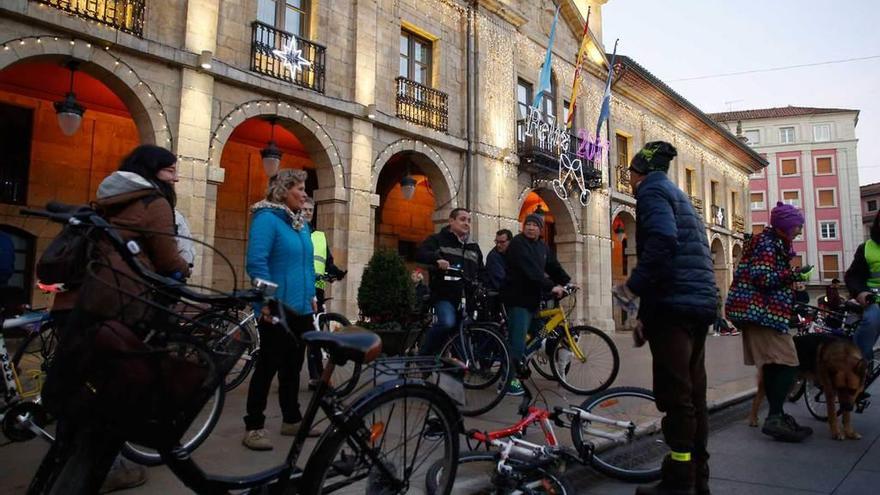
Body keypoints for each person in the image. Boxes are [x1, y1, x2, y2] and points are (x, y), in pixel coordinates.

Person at [32, 145, 192, 494]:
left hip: (75, 300)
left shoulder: (112, 197)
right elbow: (167, 258)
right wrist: (184, 271)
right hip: (114, 306)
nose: (176, 177)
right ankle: (105, 469)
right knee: (111, 391)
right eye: (170, 170)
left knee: (78, 384)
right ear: (153, 170)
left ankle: (60, 464)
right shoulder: (153, 202)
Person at [612, 141, 717, 495]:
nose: (627, 178)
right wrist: (645, 314)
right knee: (694, 394)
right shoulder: (678, 196)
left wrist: (631, 288)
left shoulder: (652, 192)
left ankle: (679, 481)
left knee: (675, 398)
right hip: (697, 304)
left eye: (629, 171)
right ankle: (698, 479)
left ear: (637, 172)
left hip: (675, 308)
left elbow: (662, 243)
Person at [242, 169, 319, 451]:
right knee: (268, 366)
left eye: (304, 189)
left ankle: (291, 420)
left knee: (293, 365)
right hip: (276, 306)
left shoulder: (300, 224)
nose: (304, 194)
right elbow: (256, 263)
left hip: (301, 307)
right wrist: (266, 301)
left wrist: (311, 295)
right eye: (299, 188)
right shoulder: (266, 219)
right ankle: (253, 426)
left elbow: (308, 264)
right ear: (283, 190)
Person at [727, 201, 815, 445]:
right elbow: (762, 277)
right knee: (788, 361)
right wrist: (793, 274)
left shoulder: (773, 243)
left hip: (767, 313)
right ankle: (775, 416)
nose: (799, 231)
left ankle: (778, 415)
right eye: (797, 226)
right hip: (760, 314)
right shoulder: (767, 243)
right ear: (786, 226)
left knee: (777, 364)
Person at [502, 214, 569, 396]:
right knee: (517, 340)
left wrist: (567, 282)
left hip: (533, 301)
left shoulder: (542, 247)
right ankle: (508, 380)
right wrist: (551, 286)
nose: (531, 228)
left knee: (542, 332)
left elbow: (553, 266)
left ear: (540, 229)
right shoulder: (518, 244)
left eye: (535, 225)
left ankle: (522, 356)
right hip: (518, 300)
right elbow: (530, 270)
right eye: (528, 224)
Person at [416, 208, 484, 356]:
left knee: (461, 333)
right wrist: (436, 259)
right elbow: (420, 253)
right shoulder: (437, 240)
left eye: (468, 220)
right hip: (444, 295)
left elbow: (481, 271)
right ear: (451, 221)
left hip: (467, 299)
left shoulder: (474, 247)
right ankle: (424, 355)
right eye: (462, 219)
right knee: (447, 322)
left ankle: (456, 371)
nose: (466, 223)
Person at [845, 211, 880, 366]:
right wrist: (861, 293)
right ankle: (860, 363)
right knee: (871, 321)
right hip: (874, 300)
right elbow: (853, 276)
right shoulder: (866, 248)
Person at [301, 196, 346, 312]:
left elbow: (328, 261)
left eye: (311, 210)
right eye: (305, 209)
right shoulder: (295, 232)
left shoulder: (320, 236)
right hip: (300, 287)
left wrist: (336, 272)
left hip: (318, 288)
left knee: (318, 324)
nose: (308, 213)